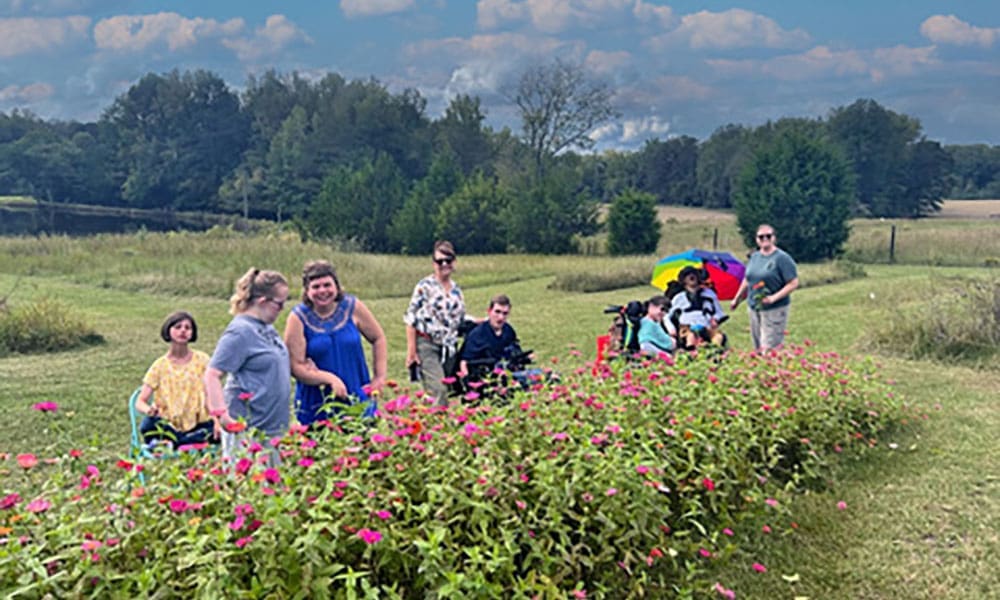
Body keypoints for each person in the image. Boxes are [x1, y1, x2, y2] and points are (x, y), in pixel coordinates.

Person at [284, 260, 387, 427]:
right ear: (307, 291)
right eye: (316, 287)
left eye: (327, 285)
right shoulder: (298, 318)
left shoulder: (353, 307)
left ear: (337, 286)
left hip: (356, 390)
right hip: (318, 400)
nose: (322, 291)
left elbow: (378, 338)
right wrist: (329, 379)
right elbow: (295, 366)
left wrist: (379, 377)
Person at [204, 268, 291, 464]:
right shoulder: (240, 332)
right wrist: (223, 415)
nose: (282, 309)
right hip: (249, 430)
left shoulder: (266, 327)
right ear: (262, 301)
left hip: (272, 427)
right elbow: (212, 374)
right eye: (279, 303)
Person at [134, 311, 214, 448]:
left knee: (213, 431)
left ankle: (175, 443)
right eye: (178, 327)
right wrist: (149, 410)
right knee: (147, 425)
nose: (183, 330)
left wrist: (216, 419)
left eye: (187, 328)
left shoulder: (203, 360)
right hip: (168, 424)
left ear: (192, 333)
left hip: (198, 423)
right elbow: (140, 401)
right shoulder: (159, 366)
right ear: (168, 331)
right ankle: (185, 442)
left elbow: (210, 394)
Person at [404, 240, 466, 405]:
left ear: (454, 262)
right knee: (439, 390)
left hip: (448, 348)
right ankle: (441, 427)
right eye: (440, 261)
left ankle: (427, 423)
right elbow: (410, 318)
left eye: (448, 260)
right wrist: (412, 352)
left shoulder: (456, 290)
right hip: (427, 344)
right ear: (433, 263)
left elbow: (459, 319)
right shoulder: (424, 286)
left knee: (436, 392)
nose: (444, 264)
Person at [730, 224, 800, 350]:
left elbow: (793, 283)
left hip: (774, 309)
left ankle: (775, 368)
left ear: (774, 238)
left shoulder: (782, 258)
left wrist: (773, 298)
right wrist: (737, 298)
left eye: (768, 236)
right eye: (761, 237)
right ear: (757, 239)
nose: (764, 239)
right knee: (758, 347)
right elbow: (748, 278)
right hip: (754, 307)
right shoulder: (755, 257)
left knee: (770, 347)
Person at [457, 294, 539, 389]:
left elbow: (516, 353)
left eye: (505, 313)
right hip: (488, 378)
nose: (500, 317)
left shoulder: (508, 330)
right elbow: (464, 362)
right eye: (497, 312)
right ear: (489, 311)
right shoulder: (477, 335)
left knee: (545, 376)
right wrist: (468, 383)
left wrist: (525, 358)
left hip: (509, 372)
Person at [669, 265, 727, 348]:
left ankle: (714, 354)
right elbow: (668, 316)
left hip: (706, 326)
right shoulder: (679, 298)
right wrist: (671, 328)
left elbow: (719, 312)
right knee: (691, 337)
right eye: (687, 275)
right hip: (687, 327)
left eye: (694, 274)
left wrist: (716, 319)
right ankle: (691, 355)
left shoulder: (709, 294)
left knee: (718, 337)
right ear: (683, 280)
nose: (691, 276)